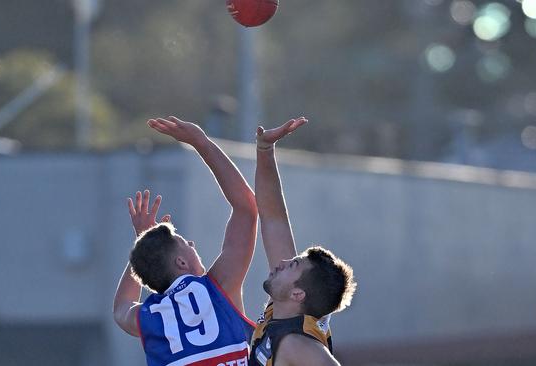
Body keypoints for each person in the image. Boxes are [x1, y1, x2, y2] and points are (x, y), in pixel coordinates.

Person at [113, 116, 258, 366]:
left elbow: (121, 308)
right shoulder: (219, 289)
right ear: (181, 262)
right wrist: (201, 143)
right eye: (186, 243)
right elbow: (246, 208)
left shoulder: (150, 317)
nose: (192, 244)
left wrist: (143, 242)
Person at [250, 117, 357, 366]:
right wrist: (265, 150)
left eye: (292, 265)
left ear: (298, 293)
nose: (283, 261)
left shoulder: (296, 344)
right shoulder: (280, 311)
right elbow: (274, 219)